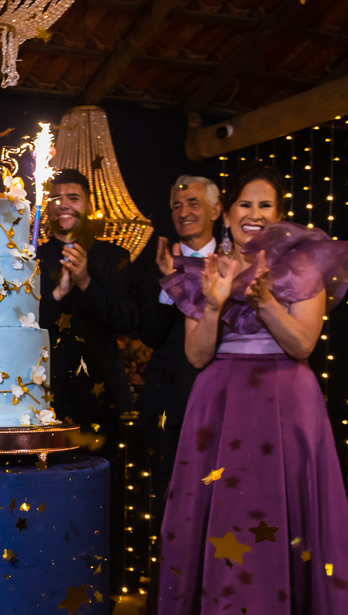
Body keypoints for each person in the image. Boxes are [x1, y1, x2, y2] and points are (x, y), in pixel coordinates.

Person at [153, 164, 348, 615]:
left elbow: (303, 343)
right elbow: (196, 355)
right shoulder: (202, 268)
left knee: (295, 534)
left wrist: (263, 302)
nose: (255, 215)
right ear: (227, 216)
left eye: (266, 206)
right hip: (219, 404)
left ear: (277, 216)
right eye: (245, 206)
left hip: (284, 406)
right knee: (221, 533)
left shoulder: (308, 262)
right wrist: (212, 303)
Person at [135, 176, 220, 518]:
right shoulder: (150, 266)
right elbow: (150, 335)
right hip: (168, 404)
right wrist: (171, 282)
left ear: (216, 209)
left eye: (193, 203)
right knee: (167, 502)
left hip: (223, 402)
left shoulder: (234, 264)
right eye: (176, 205)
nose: (183, 211)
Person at [36, 168, 139, 436]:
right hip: (42, 391)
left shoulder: (114, 256)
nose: (64, 205)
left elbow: (127, 320)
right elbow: (21, 323)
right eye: (55, 199)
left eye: (73, 198)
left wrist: (85, 282)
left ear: (89, 205)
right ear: (47, 209)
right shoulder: (30, 259)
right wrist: (57, 294)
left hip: (101, 392)